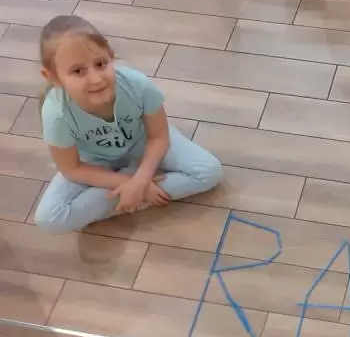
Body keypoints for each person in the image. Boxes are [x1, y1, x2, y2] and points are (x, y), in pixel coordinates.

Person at [34, 15, 222, 234]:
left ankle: (127, 195)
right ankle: (133, 192)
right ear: (53, 77)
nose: (96, 79)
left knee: (210, 171)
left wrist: (139, 181)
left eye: (101, 64)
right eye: (78, 71)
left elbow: (159, 136)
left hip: (144, 144)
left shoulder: (137, 85)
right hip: (94, 163)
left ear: (111, 56)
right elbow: (72, 168)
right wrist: (129, 182)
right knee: (48, 220)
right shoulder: (56, 114)